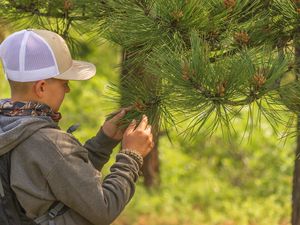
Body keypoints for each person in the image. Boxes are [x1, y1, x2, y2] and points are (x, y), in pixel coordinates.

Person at [0, 29, 154, 225]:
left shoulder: (8, 124)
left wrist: (103, 141)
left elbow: (64, 175)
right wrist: (132, 156)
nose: (68, 89)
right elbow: (104, 208)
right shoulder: (49, 142)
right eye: (64, 83)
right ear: (41, 87)